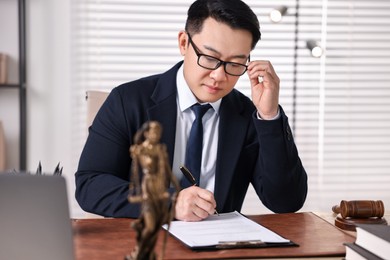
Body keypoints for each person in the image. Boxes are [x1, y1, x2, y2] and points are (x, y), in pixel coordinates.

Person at [75, 0, 308, 221]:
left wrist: (269, 116)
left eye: (235, 64)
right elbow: (90, 186)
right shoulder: (127, 101)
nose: (219, 76)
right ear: (184, 43)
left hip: (219, 247)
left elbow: (286, 202)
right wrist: (170, 203)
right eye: (209, 58)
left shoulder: (248, 115)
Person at [127, 121, 180, 260]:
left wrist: (178, 190)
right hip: (149, 186)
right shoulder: (141, 149)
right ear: (146, 133)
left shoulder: (160, 149)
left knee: (157, 227)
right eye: (153, 132)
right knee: (150, 227)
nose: (156, 135)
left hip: (159, 186)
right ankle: (139, 252)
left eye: (158, 132)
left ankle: (148, 253)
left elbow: (168, 172)